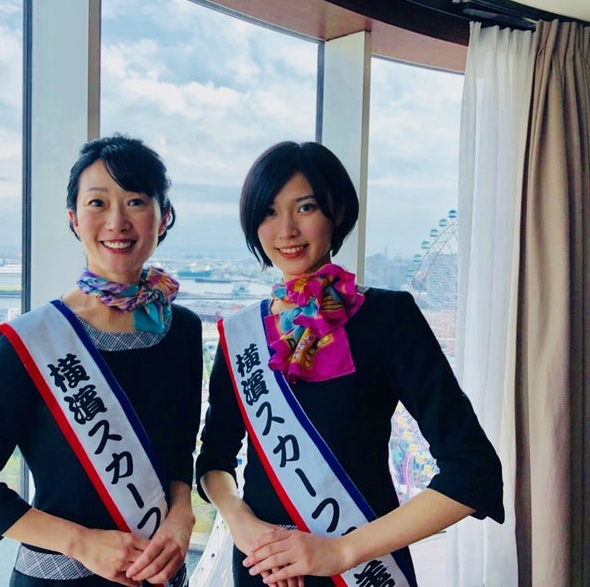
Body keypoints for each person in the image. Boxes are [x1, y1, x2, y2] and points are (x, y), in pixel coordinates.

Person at [195, 141, 504, 587]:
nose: (286, 230)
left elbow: (472, 471)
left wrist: (339, 551)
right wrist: (242, 525)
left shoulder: (388, 318)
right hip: (264, 568)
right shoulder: (242, 334)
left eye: (305, 207)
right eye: (269, 212)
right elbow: (214, 460)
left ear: (337, 211)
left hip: (364, 569)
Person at [0, 134, 203, 587]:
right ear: (74, 220)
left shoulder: (180, 331)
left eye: (136, 201)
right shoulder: (32, 340)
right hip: (58, 577)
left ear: (164, 217)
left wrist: (183, 516)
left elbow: (178, 454)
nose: (117, 222)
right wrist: (82, 543)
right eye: (97, 203)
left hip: (158, 575)